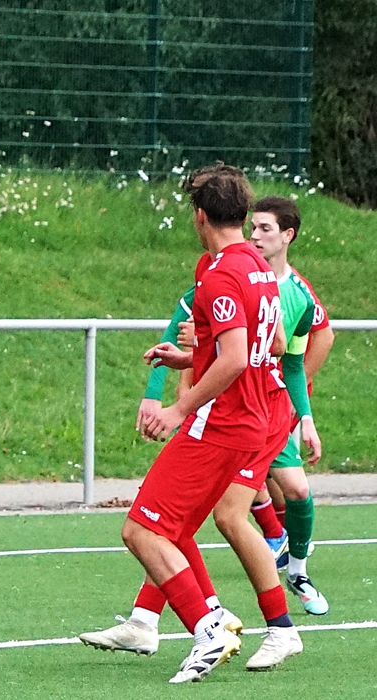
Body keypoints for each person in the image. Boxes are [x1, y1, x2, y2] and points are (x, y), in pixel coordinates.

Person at [91, 164, 287, 683]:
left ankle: (208, 629)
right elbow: (271, 345)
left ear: (200, 216)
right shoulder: (257, 266)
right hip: (249, 423)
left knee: (141, 530)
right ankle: (196, 620)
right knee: (172, 530)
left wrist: (178, 409)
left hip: (220, 424)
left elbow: (237, 357)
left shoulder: (220, 273)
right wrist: (189, 358)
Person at [247, 196, 330, 614]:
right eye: (252, 227)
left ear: (287, 236)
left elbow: (294, 364)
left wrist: (306, 418)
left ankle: (297, 571)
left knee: (298, 489)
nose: (254, 235)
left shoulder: (300, 296)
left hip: (270, 410)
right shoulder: (240, 277)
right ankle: (155, 611)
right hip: (233, 409)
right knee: (218, 509)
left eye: (264, 228)